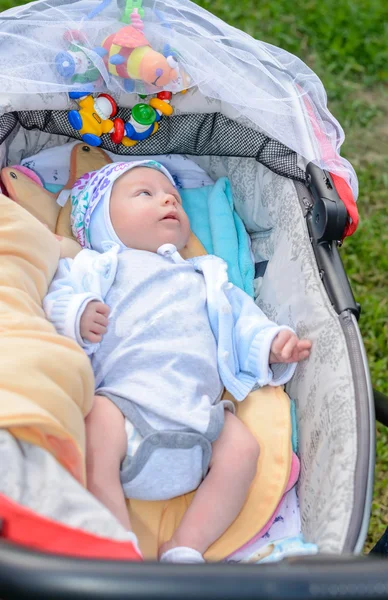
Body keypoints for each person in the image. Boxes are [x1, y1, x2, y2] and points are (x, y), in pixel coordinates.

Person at [44, 160, 312, 563]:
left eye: (172, 195)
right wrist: (78, 315)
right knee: (94, 421)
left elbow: (241, 321)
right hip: (125, 408)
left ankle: (187, 544)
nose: (169, 198)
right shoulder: (95, 266)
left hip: (200, 419)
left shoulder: (206, 275)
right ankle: (116, 539)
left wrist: (272, 343)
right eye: (145, 193)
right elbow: (53, 302)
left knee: (242, 448)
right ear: (100, 221)